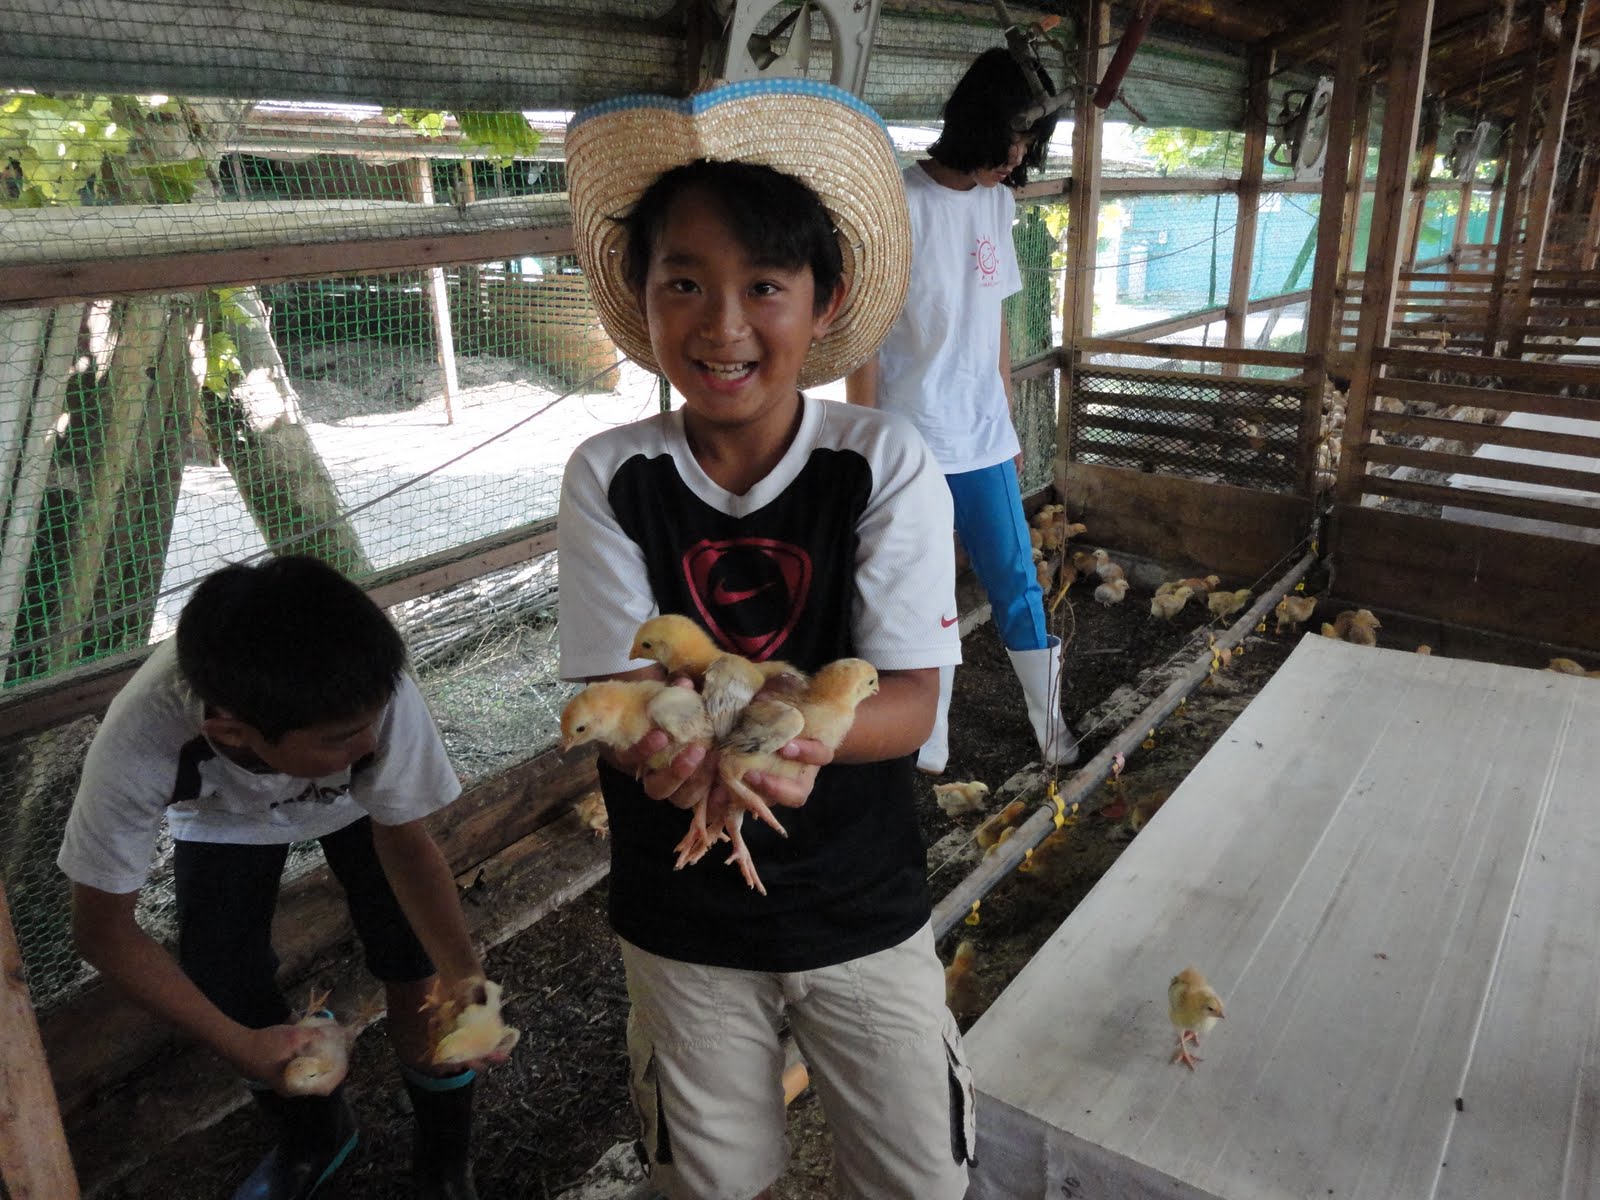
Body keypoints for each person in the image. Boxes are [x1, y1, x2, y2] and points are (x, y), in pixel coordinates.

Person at [557, 80, 974, 1200]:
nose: (723, 324)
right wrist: (677, 749)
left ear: (823, 299)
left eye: (763, 286)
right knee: (707, 1186)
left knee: (920, 1182)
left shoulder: (881, 463)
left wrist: (768, 747)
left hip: (859, 904)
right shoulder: (611, 476)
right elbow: (622, 701)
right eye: (683, 282)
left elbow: (906, 705)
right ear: (641, 300)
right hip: (682, 922)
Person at [57, 555, 499, 1200]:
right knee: (225, 979)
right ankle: (314, 1137)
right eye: (343, 736)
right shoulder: (143, 736)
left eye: (370, 723)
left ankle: (444, 1158)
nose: (370, 742)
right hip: (223, 817)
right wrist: (240, 1044)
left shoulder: (367, 697)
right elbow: (102, 932)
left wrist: (465, 978)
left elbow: (402, 835)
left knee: (415, 964)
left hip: (353, 804)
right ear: (228, 729)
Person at [847, 46, 1078, 775]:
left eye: (1028, 147)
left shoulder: (997, 202)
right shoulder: (899, 204)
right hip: (911, 438)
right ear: (976, 126)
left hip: (980, 436)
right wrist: (870, 441)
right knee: (919, 589)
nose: (1018, 159)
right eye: (1012, 143)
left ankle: (1052, 728)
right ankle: (927, 736)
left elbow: (996, 322)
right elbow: (863, 342)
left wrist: (1005, 419)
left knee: (1015, 578)